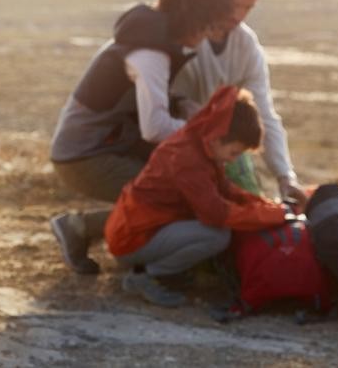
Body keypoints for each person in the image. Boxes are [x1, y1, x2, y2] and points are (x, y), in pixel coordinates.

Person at [48, 0, 242, 274]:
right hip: (85, 157)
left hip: (105, 145)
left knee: (182, 187)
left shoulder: (150, 38)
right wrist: (207, 137)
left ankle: (94, 231)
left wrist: (198, 115)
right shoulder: (150, 53)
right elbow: (155, 128)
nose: (207, 37)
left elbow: (154, 102)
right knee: (178, 196)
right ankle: (82, 228)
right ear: (192, 18)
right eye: (208, 27)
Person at [104, 86, 290, 307]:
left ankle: (161, 270)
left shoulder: (201, 141)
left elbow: (226, 190)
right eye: (234, 153)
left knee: (216, 228)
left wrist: (266, 206)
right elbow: (216, 213)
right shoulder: (187, 157)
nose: (233, 160)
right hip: (133, 239)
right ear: (218, 138)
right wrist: (271, 216)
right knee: (216, 235)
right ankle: (144, 275)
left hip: (146, 229)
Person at [172, 0, 306, 206]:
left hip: (217, 143)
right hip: (166, 139)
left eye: (248, 7)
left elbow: (264, 113)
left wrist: (285, 177)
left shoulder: (246, 46)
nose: (238, 15)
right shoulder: (182, 33)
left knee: (248, 202)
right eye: (234, 2)